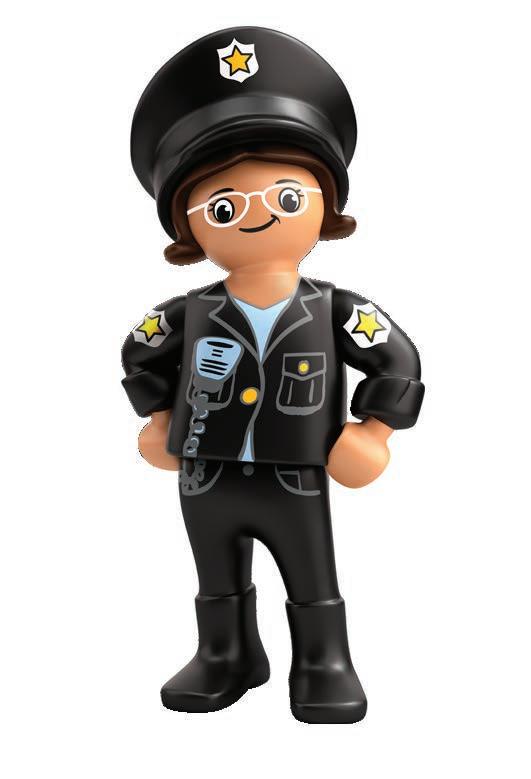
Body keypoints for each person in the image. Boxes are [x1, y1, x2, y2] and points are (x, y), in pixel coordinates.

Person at [123, 27, 424, 724]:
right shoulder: (186, 313)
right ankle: (225, 651)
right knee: (214, 566)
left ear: (324, 205)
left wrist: (373, 432)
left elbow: (397, 358)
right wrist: (159, 419)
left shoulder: (337, 309)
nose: (256, 214)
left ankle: (322, 660)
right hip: (206, 472)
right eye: (224, 206)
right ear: (191, 229)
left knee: (309, 568)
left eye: (286, 197)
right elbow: (138, 351)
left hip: (296, 473)